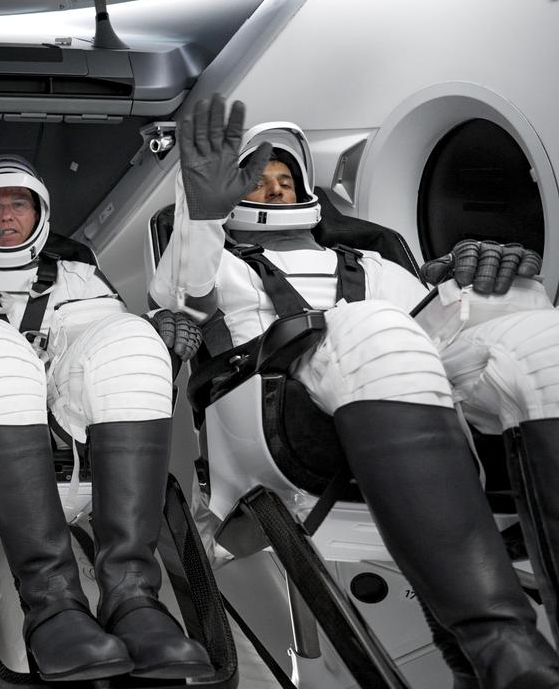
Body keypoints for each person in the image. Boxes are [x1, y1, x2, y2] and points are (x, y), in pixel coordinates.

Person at [150, 94, 559, 689]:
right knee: (373, 325)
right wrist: (204, 217)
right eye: (253, 178)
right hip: (279, 405)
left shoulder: (377, 263)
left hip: (414, 382)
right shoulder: (226, 267)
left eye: (283, 176)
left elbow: (440, 333)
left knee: (539, 335)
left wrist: (483, 282)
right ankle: (504, 650)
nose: (272, 187)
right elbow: (185, 299)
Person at [0, 155, 210, 681]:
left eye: (20, 203)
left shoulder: (79, 276)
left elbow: (99, 350)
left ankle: (133, 597)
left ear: (41, 214)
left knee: (131, 337)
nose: (7, 214)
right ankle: (51, 605)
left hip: (74, 434)